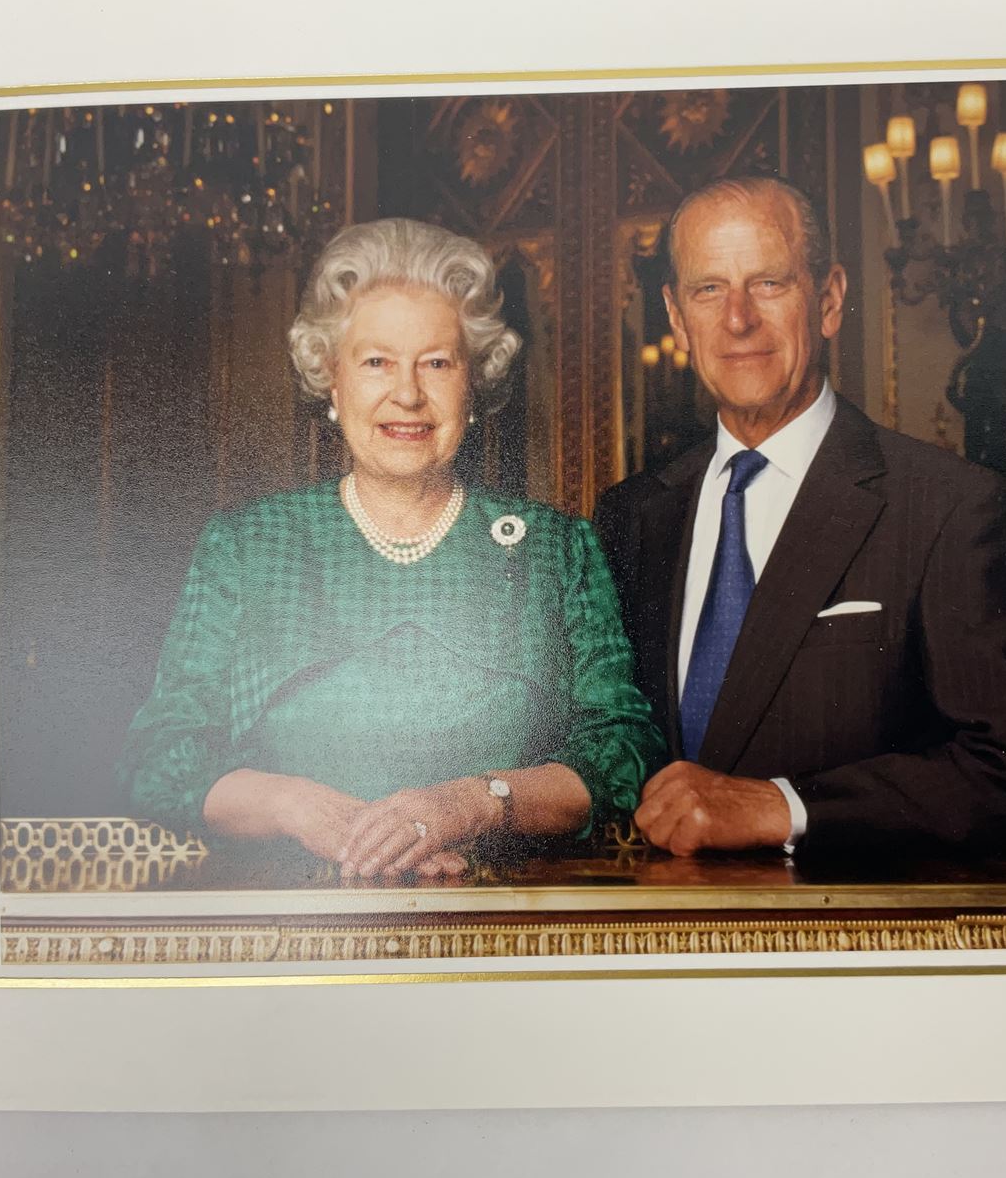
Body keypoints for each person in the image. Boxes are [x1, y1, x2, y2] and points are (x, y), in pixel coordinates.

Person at [119, 218, 662, 879]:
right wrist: (299, 807)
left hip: (507, 927)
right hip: (294, 936)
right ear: (332, 380)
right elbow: (158, 758)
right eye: (376, 361)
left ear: (473, 381)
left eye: (437, 362)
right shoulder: (247, 546)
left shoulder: (557, 549)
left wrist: (477, 802)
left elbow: (625, 751)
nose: (407, 393)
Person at [593, 175, 1006, 861]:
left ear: (828, 301)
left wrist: (787, 807)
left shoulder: (951, 507)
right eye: (709, 289)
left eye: (769, 283)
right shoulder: (630, 516)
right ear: (677, 318)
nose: (737, 319)